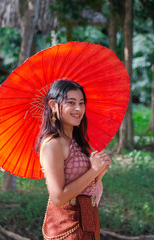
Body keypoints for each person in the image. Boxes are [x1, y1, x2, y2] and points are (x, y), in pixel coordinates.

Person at [36, 79, 111, 240]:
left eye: (81, 103)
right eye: (71, 102)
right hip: (66, 226)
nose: (78, 109)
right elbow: (58, 197)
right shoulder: (52, 145)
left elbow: (86, 186)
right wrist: (93, 171)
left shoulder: (77, 142)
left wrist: (100, 172)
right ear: (53, 105)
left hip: (88, 220)